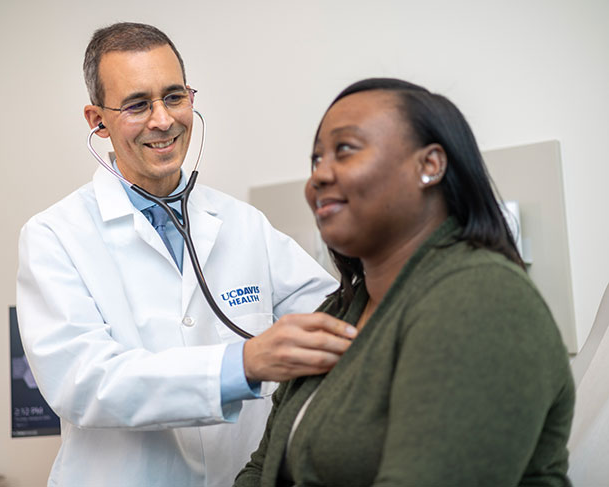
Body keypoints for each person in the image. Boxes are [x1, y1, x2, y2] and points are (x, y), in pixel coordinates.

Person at [15, 22, 352, 486]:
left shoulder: (243, 224)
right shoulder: (55, 236)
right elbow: (85, 382)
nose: (162, 120)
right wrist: (244, 364)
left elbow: (336, 314)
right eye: (137, 104)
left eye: (174, 96)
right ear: (97, 120)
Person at [234, 78, 575, 486]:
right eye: (315, 160)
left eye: (344, 150)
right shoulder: (341, 310)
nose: (319, 176)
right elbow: (262, 470)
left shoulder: (480, 298)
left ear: (429, 165)